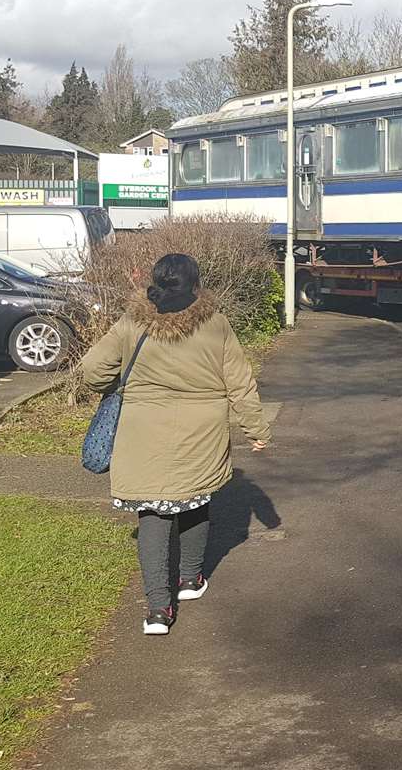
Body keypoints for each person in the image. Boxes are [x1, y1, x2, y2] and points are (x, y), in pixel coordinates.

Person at [80, 253, 273, 634]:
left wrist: (113, 385)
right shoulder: (215, 324)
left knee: (152, 511)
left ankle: (157, 610)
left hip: (142, 429)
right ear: (195, 283)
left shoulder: (131, 320)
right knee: (195, 498)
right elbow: (239, 381)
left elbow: (92, 370)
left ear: (156, 280)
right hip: (201, 430)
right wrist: (257, 430)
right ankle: (190, 580)